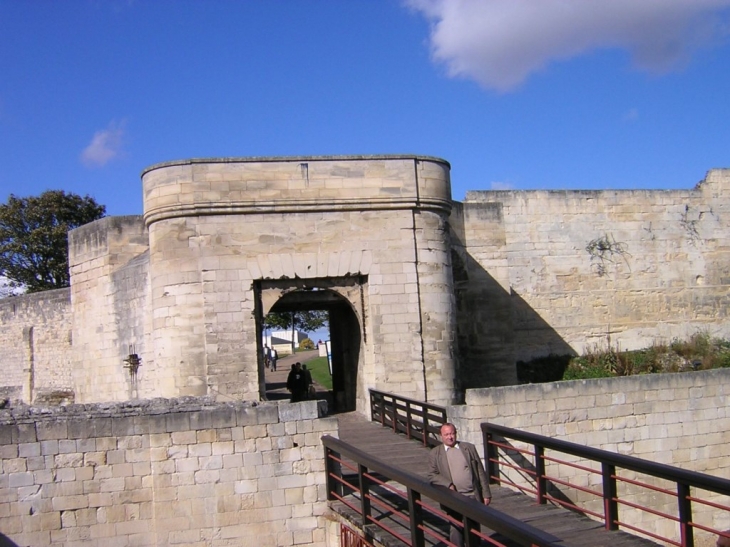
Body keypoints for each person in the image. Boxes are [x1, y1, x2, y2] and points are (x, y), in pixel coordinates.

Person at [427, 423, 491, 546]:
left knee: (474, 526)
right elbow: (432, 475)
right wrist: (448, 484)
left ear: (456, 433)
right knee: (455, 526)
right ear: (441, 436)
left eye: (452, 433)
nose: (450, 437)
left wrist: (486, 493)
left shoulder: (469, 448)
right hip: (453, 496)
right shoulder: (435, 453)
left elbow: (480, 471)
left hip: (472, 494)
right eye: (446, 434)